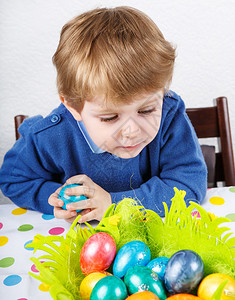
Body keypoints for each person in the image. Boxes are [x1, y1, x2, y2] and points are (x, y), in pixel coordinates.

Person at [0, 6, 207, 223]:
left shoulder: (169, 115)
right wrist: (60, 199)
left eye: (146, 110)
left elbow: (188, 183)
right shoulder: (51, 135)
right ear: (72, 105)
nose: (132, 131)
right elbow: (14, 179)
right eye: (110, 118)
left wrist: (112, 204)